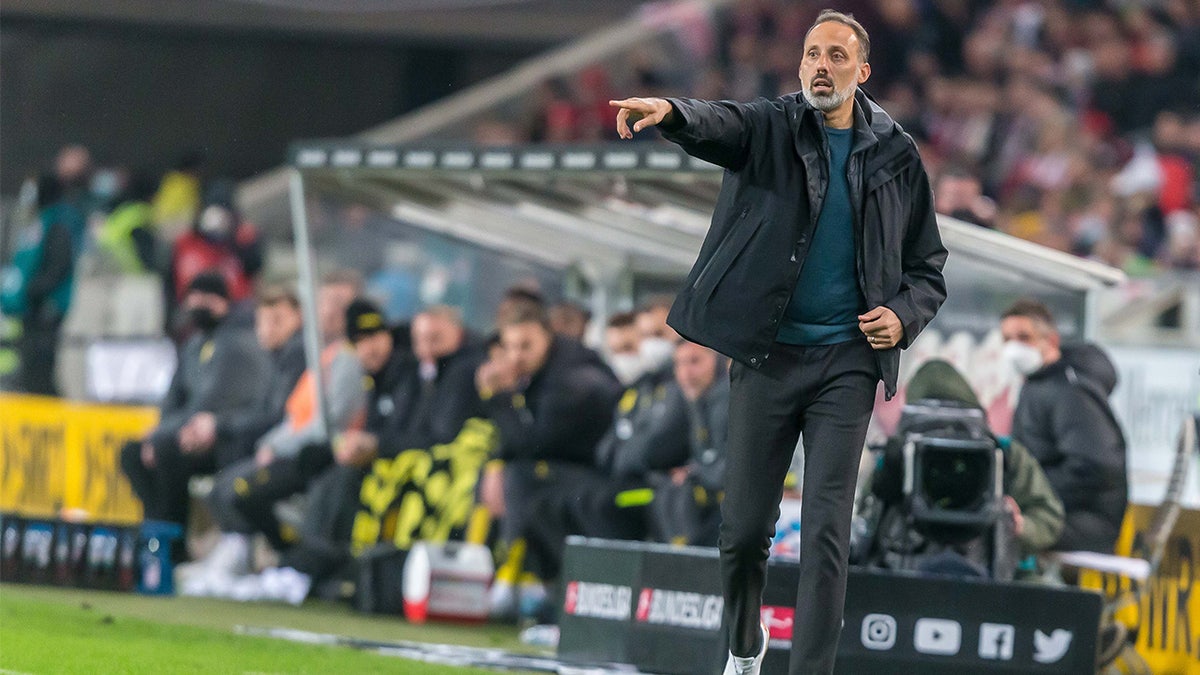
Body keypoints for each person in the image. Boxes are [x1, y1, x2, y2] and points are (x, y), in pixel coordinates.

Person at [610, 10, 947, 674]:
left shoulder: (896, 154)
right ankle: (744, 642)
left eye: (837, 56)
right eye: (813, 54)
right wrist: (673, 113)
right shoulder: (771, 126)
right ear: (800, 65)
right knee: (741, 537)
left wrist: (904, 315)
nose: (822, 65)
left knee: (826, 533)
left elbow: (927, 267)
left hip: (846, 364)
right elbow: (719, 123)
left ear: (863, 71)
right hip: (767, 355)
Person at [477, 301, 621, 620]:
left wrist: (499, 398)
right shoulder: (544, 369)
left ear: (547, 336)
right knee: (509, 476)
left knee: (523, 479)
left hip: (604, 475)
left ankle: (517, 582)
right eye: (510, 347)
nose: (516, 356)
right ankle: (526, 582)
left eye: (526, 345)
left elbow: (534, 444)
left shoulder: (570, 378)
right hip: (573, 467)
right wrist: (495, 463)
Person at [855, 359, 1064, 579]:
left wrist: (1018, 525)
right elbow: (867, 519)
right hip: (907, 565)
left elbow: (1048, 515)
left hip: (985, 566)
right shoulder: (898, 455)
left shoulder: (1002, 454)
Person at [119, 271, 270, 538]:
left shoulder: (236, 343)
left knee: (167, 452)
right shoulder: (193, 344)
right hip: (190, 433)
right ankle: (156, 530)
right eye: (194, 298)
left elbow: (211, 400)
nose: (199, 306)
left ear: (224, 302)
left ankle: (173, 541)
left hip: (225, 440)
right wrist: (157, 433)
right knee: (132, 452)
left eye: (207, 299)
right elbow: (173, 398)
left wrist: (162, 437)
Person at [1000, 298, 1128, 553]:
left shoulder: (1069, 390)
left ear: (1052, 341)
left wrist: (1028, 494)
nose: (1013, 347)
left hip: (1086, 522)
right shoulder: (1038, 383)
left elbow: (1095, 467)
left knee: (997, 529)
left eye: (1024, 337)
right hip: (1061, 513)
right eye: (1007, 339)